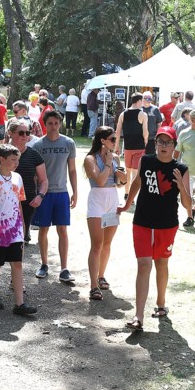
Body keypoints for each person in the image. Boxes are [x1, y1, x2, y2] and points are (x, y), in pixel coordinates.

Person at [118, 126, 191, 331]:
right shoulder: (146, 161)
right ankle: (138, 316)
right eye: (160, 142)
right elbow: (137, 182)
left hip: (166, 224)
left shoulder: (181, 168)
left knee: (161, 263)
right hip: (142, 220)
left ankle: (160, 303)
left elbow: (188, 204)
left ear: (174, 146)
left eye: (168, 142)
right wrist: (127, 203)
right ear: (155, 144)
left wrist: (181, 185)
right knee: (143, 265)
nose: (163, 146)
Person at [0, 144, 36, 316]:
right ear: (2, 159)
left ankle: (19, 303)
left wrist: (22, 226)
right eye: (13, 160)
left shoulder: (17, 178)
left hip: (15, 230)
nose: (16, 163)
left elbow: (19, 202)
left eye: (18, 159)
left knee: (17, 263)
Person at [0, 118, 48, 245]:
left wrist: (40, 196)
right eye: (21, 133)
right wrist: (2, 183)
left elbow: (44, 180)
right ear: (11, 133)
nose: (25, 136)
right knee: (1, 241)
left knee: (20, 239)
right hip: (3, 201)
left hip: (28, 200)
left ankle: (22, 240)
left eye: (27, 133)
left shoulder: (34, 154)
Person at [32, 111, 78, 284]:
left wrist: (75, 191)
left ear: (60, 123)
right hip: (44, 194)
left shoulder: (68, 143)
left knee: (62, 230)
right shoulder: (38, 145)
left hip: (61, 193)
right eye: (50, 123)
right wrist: (37, 194)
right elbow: (35, 173)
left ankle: (64, 268)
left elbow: (72, 170)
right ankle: (44, 264)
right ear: (45, 124)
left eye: (56, 123)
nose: (53, 126)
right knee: (43, 229)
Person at [84, 126, 127, 301]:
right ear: (102, 140)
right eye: (112, 139)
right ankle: (93, 285)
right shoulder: (90, 159)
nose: (115, 142)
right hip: (97, 200)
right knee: (97, 244)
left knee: (107, 243)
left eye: (116, 139)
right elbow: (100, 181)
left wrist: (121, 175)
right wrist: (109, 164)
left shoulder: (115, 157)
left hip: (112, 199)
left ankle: (101, 276)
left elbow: (122, 183)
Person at [115, 92, 148, 204]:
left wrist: (116, 146)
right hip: (139, 147)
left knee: (128, 171)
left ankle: (127, 193)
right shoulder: (142, 114)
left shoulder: (123, 114)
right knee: (135, 173)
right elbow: (145, 132)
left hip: (127, 147)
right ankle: (132, 197)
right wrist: (146, 142)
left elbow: (118, 131)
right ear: (139, 101)